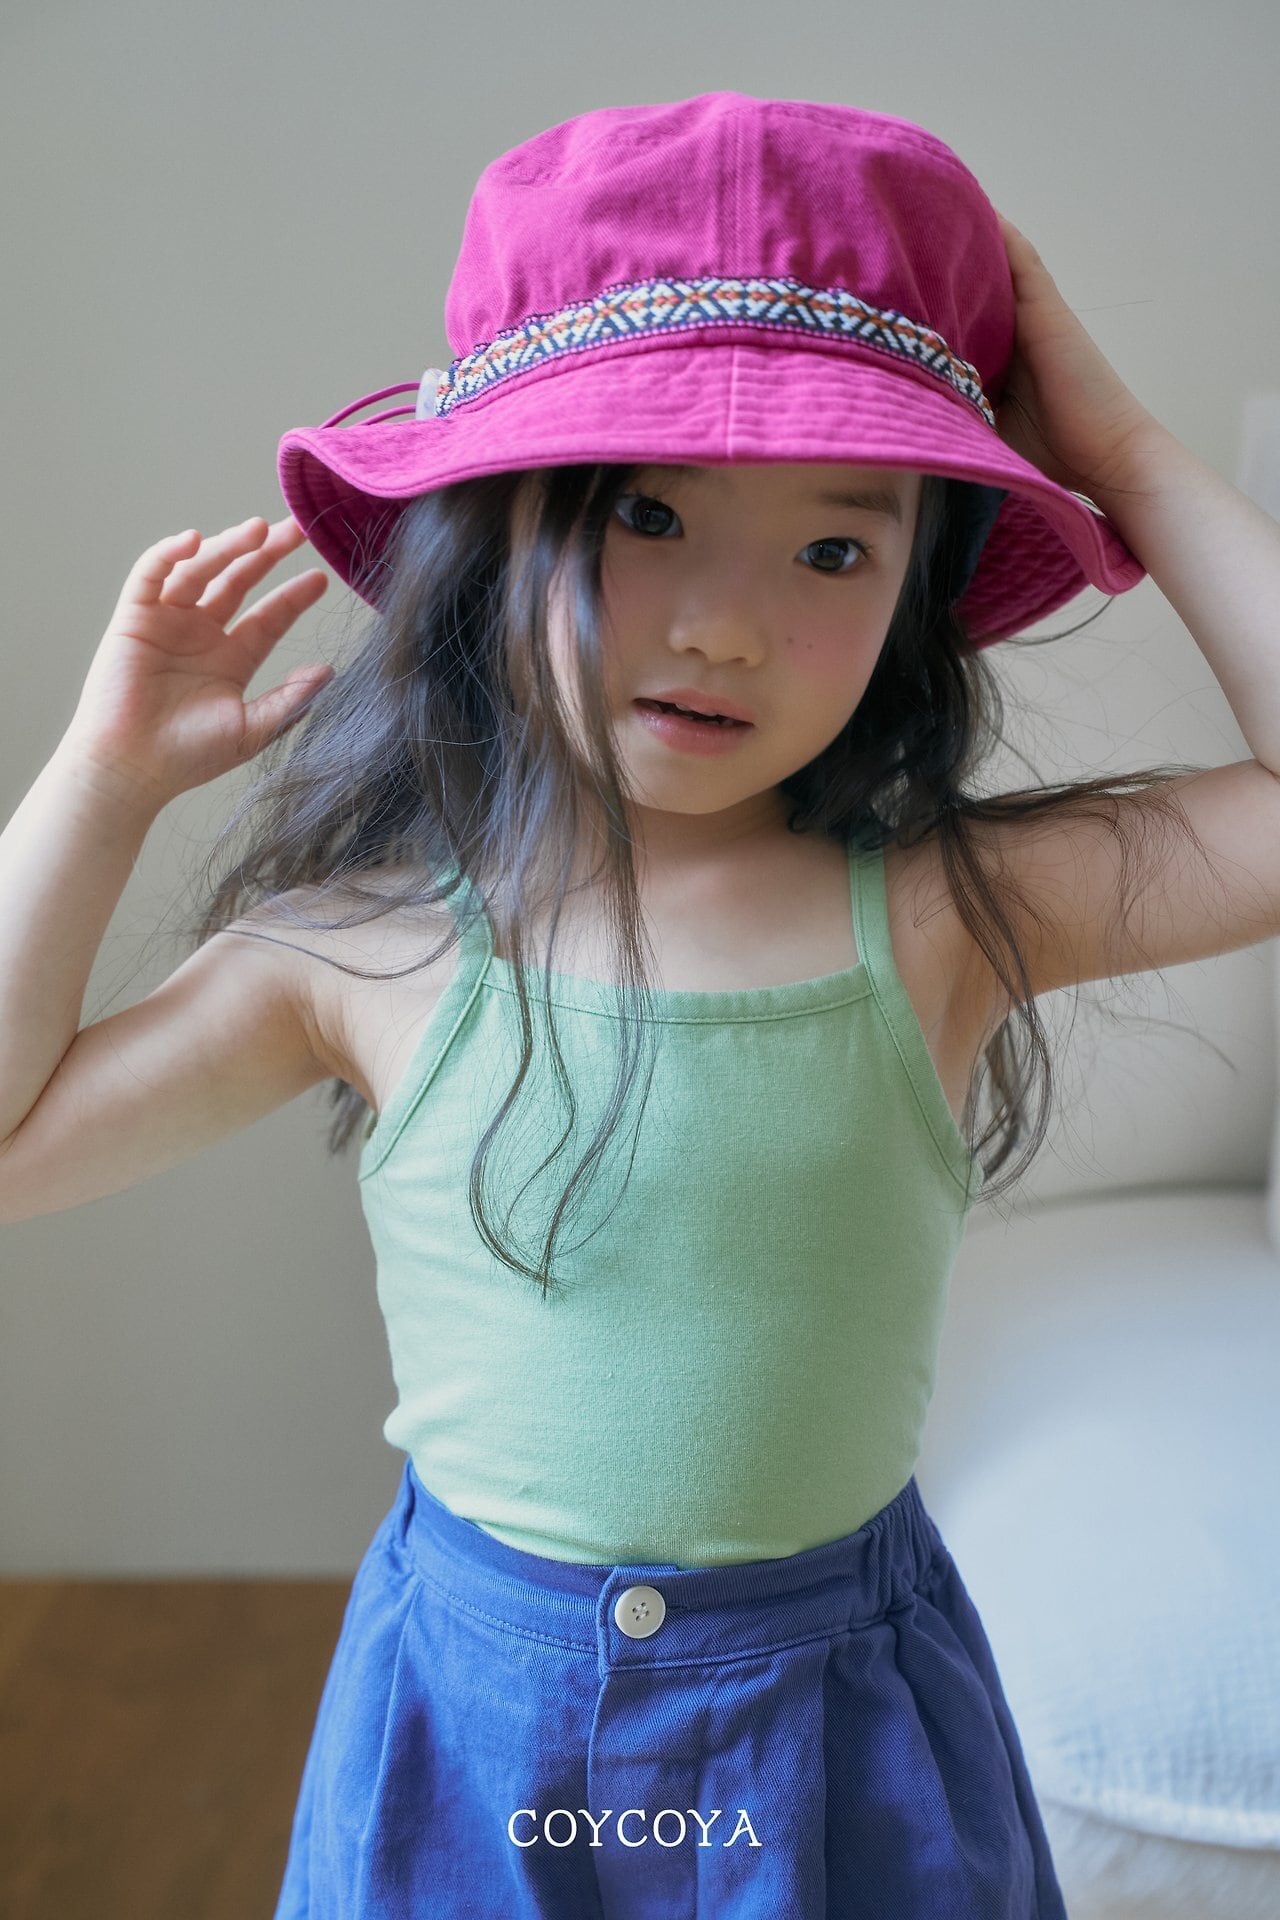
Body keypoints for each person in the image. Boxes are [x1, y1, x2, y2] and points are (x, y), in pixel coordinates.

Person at [4, 89, 1280, 1919]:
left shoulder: (941, 912)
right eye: (650, 515)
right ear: (493, 533)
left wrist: (1124, 448)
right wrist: (106, 781)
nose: (724, 626)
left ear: (920, 592)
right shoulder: (362, 951)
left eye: (835, 550)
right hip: (472, 1731)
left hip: (836, 1728)